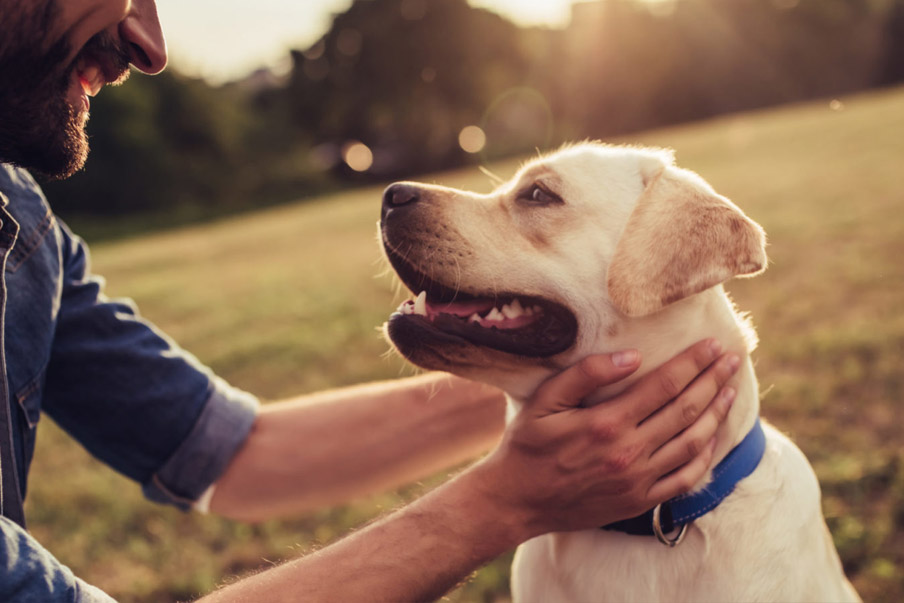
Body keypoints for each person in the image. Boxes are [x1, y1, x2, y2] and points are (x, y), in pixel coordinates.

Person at [0, 1, 740, 601]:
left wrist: (597, 379)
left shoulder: (22, 223)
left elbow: (232, 451)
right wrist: (502, 502)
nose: (150, 41)